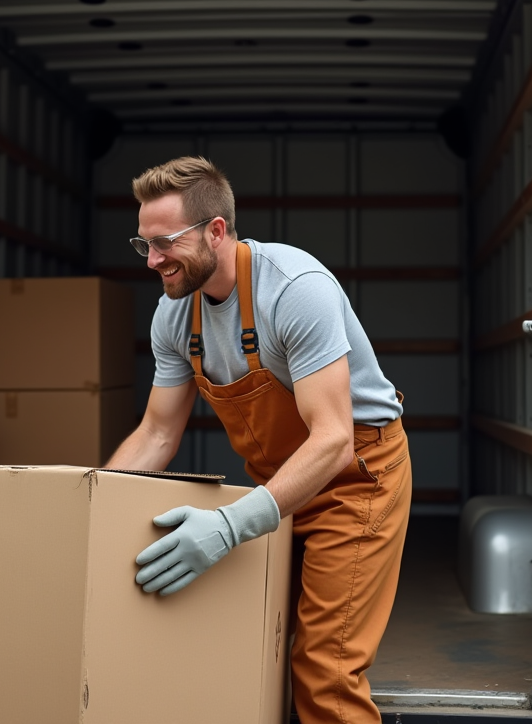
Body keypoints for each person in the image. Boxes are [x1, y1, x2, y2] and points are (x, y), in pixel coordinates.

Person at [106, 156, 411, 724]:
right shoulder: (174, 315)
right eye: (143, 245)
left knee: (326, 669)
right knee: (249, 642)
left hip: (355, 480)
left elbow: (333, 440)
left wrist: (228, 526)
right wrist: (93, 508)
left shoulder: (295, 290)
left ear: (215, 231)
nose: (153, 261)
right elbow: (156, 432)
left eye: (165, 242)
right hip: (280, 485)